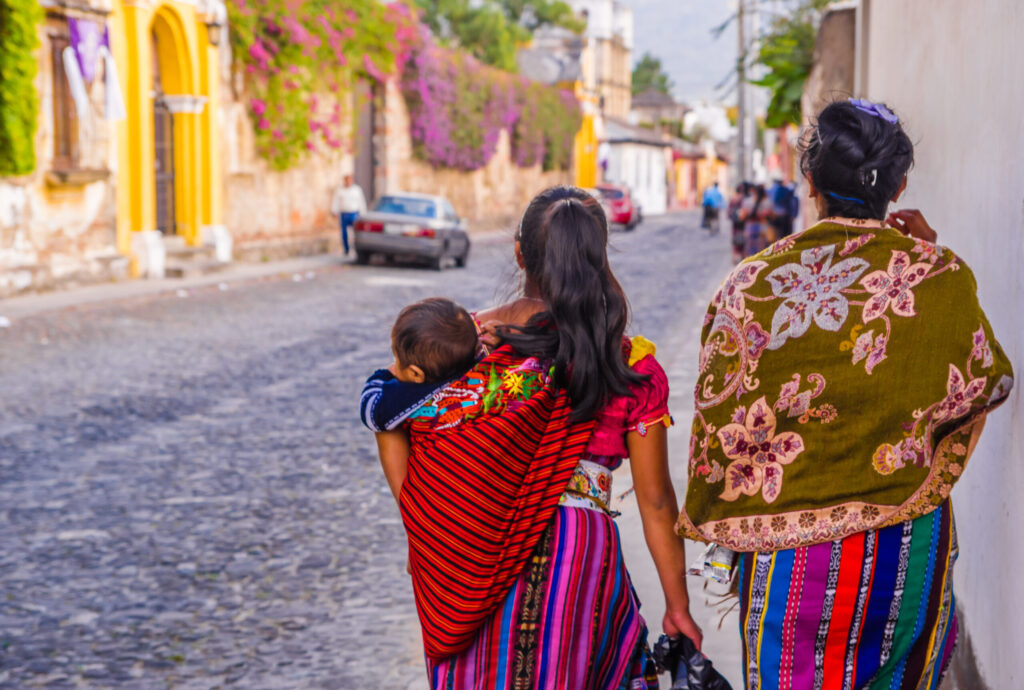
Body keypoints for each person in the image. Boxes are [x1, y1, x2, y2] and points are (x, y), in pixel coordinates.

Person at [678, 99, 1014, 689]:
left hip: (788, 565)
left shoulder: (749, 286)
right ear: (900, 184)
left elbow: (717, 418)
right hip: (905, 551)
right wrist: (931, 256)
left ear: (809, 182)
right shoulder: (939, 277)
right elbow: (987, 381)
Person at [383, 186, 701, 688]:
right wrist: (677, 605)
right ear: (597, 259)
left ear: (519, 253)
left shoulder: (460, 347)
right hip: (579, 559)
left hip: (472, 544)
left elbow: (394, 422)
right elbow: (656, 499)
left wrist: (424, 526)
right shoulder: (628, 364)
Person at [359, 297, 479, 501]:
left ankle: (409, 511)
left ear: (416, 374)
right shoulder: (478, 370)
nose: (395, 365)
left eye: (396, 359)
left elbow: (370, 409)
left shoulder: (407, 395)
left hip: (437, 508)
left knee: (386, 429)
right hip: (479, 495)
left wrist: (384, 375)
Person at [330, 173, 366, 256]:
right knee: (344, 233)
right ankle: (346, 249)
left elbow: (361, 201)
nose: (348, 182)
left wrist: (363, 213)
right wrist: (334, 210)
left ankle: (356, 248)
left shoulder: (357, 190)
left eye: (350, 180)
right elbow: (336, 201)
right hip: (344, 213)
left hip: (354, 213)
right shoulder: (340, 190)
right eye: (347, 180)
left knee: (355, 232)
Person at [740, 183, 770, 257]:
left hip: (750, 226)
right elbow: (770, 214)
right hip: (762, 226)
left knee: (750, 249)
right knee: (762, 250)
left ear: (753, 191)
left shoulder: (747, 201)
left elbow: (742, 216)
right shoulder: (766, 201)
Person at [727, 183, 749, 263]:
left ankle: (735, 257)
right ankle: (743, 257)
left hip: (735, 223)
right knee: (743, 240)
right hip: (742, 223)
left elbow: (728, 213)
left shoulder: (732, 199)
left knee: (735, 240)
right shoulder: (743, 199)